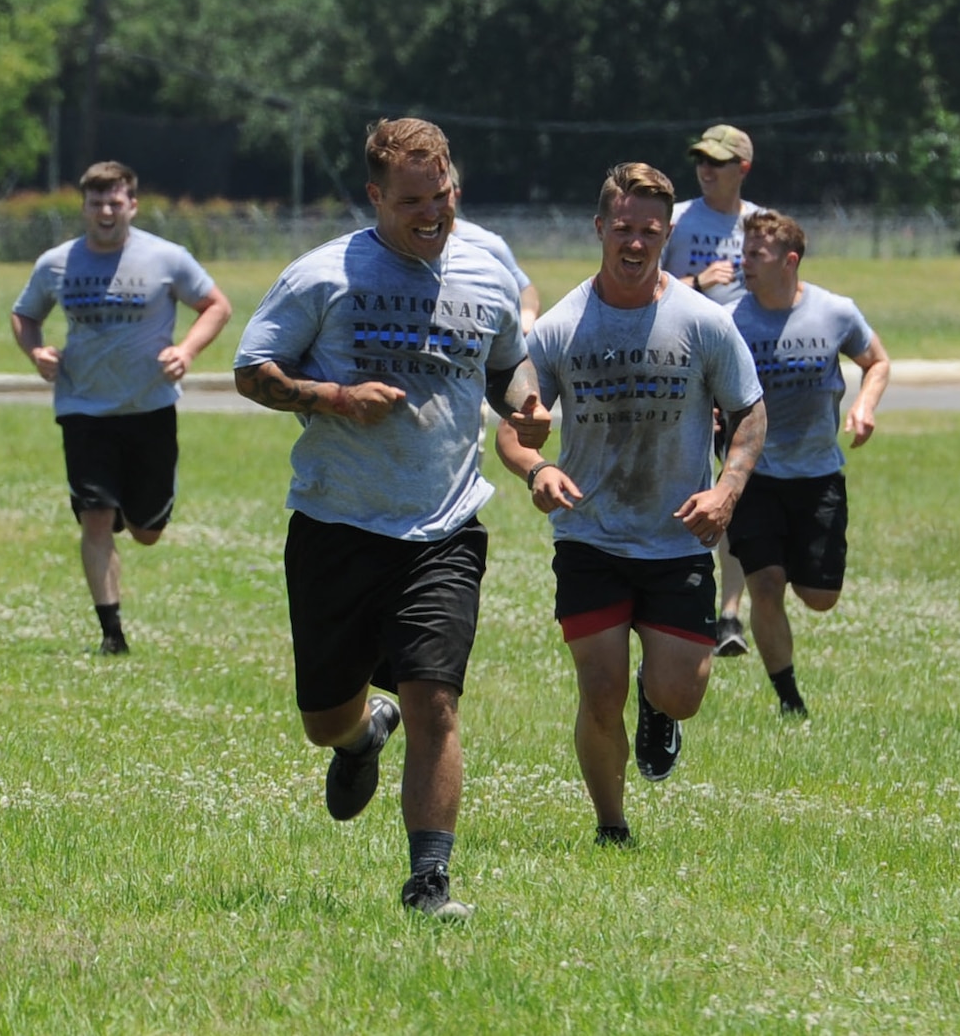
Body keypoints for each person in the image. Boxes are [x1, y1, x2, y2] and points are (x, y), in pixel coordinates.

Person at [233, 118, 550, 919]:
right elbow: (251, 369)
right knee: (321, 716)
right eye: (411, 200)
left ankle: (429, 881)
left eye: (441, 194)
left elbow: (507, 362)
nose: (432, 212)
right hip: (337, 523)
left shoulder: (486, 267)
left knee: (434, 700)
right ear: (376, 195)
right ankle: (354, 735)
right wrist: (334, 397)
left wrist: (527, 403)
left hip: (444, 525)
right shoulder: (323, 275)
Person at [495, 162, 764, 847]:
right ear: (600, 228)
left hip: (675, 535)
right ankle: (611, 824)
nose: (635, 243)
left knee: (683, 691)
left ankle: (659, 707)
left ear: (667, 234)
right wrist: (536, 468)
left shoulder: (702, 322)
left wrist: (726, 489)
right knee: (600, 685)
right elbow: (513, 426)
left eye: (650, 230)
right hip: (589, 532)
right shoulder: (558, 328)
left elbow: (750, 412)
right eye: (623, 228)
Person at [10, 161, 232, 655]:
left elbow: (216, 305)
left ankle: (123, 511)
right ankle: (112, 634)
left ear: (132, 204)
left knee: (147, 531)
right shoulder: (56, 263)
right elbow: (25, 314)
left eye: (115, 202)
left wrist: (187, 350)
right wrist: (36, 352)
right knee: (94, 516)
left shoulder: (167, 257)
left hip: (149, 407)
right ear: (84, 208)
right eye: (96, 203)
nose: (106, 211)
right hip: (83, 408)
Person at [719, 210, 890, 718]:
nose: (744, 262)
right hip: (753, 474)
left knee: (820, 596)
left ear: (789, 261)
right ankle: (789, 700)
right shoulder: (730, 320)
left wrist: (864, 406)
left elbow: (877, 361)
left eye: (757, 254)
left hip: (817, 474)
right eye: (744, 252)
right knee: (766, 584)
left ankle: (798, 564)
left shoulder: (835, 313)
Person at [660, 123, 763, 656]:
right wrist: (698, 281)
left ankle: (729, 616)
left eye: (718, 162)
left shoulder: (759, 224)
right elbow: (634, 281)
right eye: (701, 159)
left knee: (733, 495)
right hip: (682, 373)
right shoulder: (675, 219)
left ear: (742, 168)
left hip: (742, 379)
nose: (706, 168)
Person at [447, 163, 541, 329]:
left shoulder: (488, 245)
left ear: (456, 194)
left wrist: (525, 322)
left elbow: (524, 288)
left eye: (440, 195)